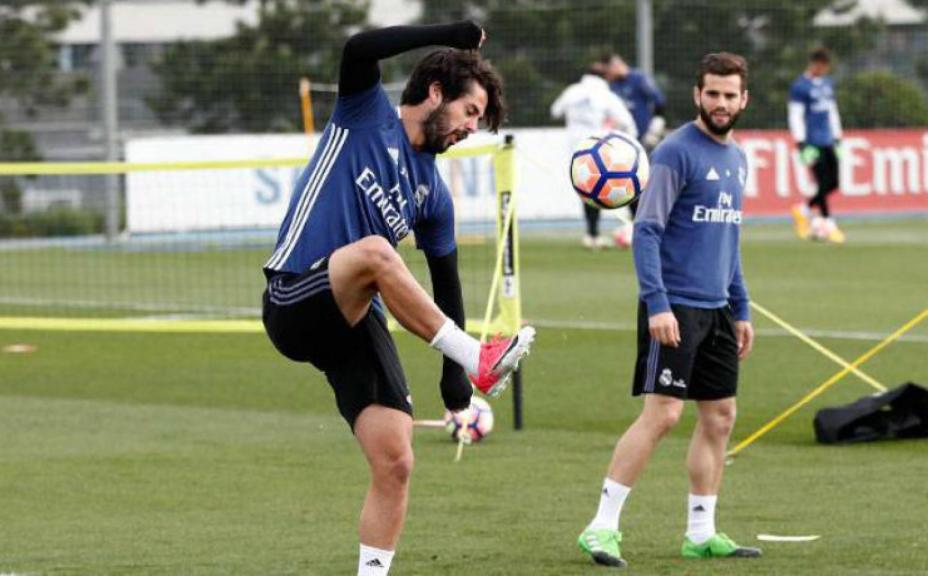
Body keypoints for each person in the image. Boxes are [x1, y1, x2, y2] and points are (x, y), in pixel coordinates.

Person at [261, 21, 535, 576]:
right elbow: (359, 48)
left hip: (355, 322)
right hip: (294, 297)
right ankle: (478, 356)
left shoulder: (433, 193)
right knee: (377, 253)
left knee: (397, 460)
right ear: (436, 91)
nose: (470, 129)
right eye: (469, 112)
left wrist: (453, 386)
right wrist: (454, 35)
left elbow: (447, 285)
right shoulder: (366, 114)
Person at [576, 52, 761, 568]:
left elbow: (730, 238)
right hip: (673, 307)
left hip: (719, 309)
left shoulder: (737, 158)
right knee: (663, 415)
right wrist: (657, 304)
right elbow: (647, 231)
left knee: (720, 417)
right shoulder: (676, 152)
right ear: (697, 95)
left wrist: (741, 307)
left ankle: (701, 532)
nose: (721, 103)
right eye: (713, 94)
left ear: (743, 99)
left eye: (730, 95)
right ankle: (601, 528)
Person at [550, 62, 638, 250]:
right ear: (605, 78)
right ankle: (638, 228)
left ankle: (592, 235)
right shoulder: (606, 95)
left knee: (588, 190)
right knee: (625, 185)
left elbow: (555, 111)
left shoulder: (572, 91)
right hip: (601, 151)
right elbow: (628, 123)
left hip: (576, 151)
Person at [603, 53, 668, 247]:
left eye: (612, 68)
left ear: (619, 64)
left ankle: (657, 221)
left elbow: (659, 101)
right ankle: (637, 224)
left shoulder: (638, 79)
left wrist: (657, 124)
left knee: (648, 180)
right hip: (625, 142)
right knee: (630, 184)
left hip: (645, 139)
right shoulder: (611, 87)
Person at [789, 47, 845, 243]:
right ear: (814, 64)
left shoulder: (827, 84)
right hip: (811, 142)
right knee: (822, 181)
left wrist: (838, 135)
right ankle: (829, 224)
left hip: (828, 139)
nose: (823, 70)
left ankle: (803, 210)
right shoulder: (800, 87)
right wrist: (801, 142)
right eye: (821, 66)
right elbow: (795, 115)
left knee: (834, 182)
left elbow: (832, 111)